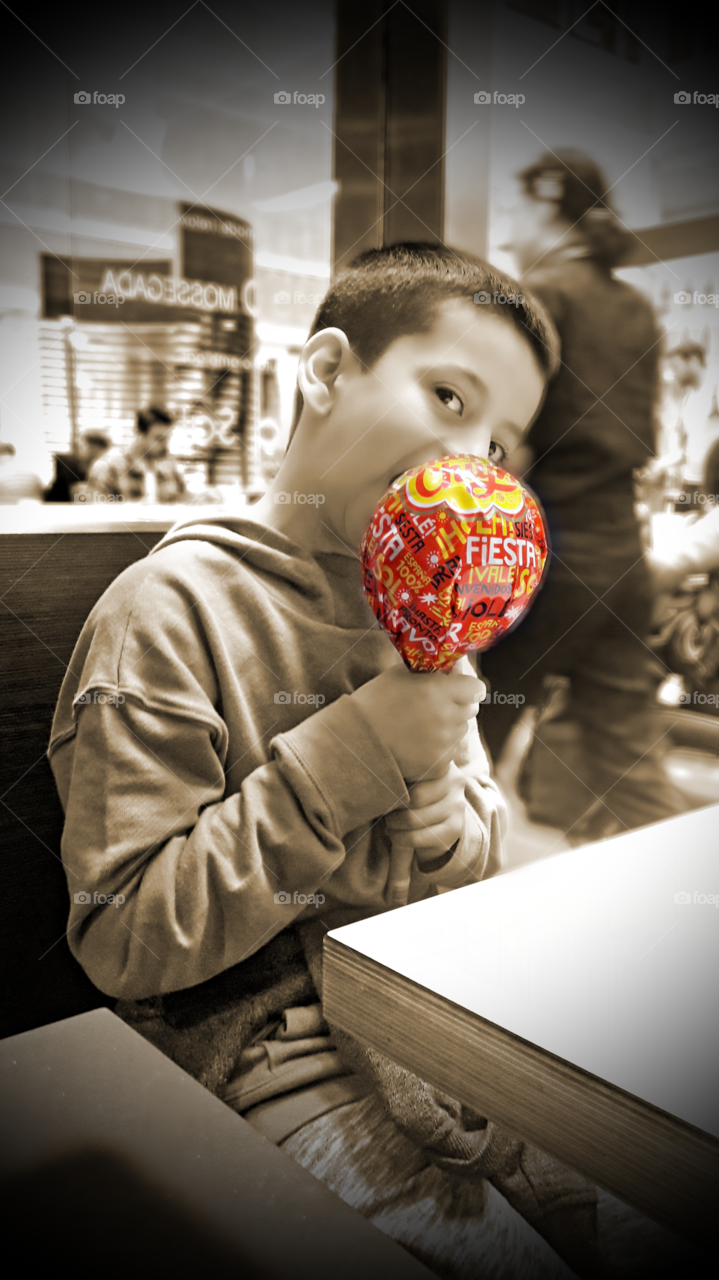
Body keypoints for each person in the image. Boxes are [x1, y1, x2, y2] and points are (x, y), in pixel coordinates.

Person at [49, 246, 686, 1280]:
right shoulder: (166, 613)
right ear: (325, 369)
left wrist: (450, 832)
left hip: (440, 1029)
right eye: (445, 394)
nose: (465, 453)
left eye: (494, 436)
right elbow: (125, 935)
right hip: (280, 1056)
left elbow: (468, 844)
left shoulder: (430, 598)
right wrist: (358, 751)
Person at [481, 151, 688, 843]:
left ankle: (407, 926)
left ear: (547, 208)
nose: (508, 232)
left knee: (465, 740)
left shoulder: (543, 296)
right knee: (631, 763)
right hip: (620, 557)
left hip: (550, 556)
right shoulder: (633, 307)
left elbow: (507, 437)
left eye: (516, 211)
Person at [86, 406, 186, 503]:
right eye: (159, 439)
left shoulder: (171, 469)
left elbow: (186, 504)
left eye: (168, 439)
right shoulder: (107, 467)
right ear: (140, 434)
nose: (165, 446)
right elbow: (98, 515)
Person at [44, 430, 111, 503]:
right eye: (91, 447)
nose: (92, 452)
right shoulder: (64, 461)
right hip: (59, 503)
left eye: (99, 450)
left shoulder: (103, 468)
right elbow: (71, 488)